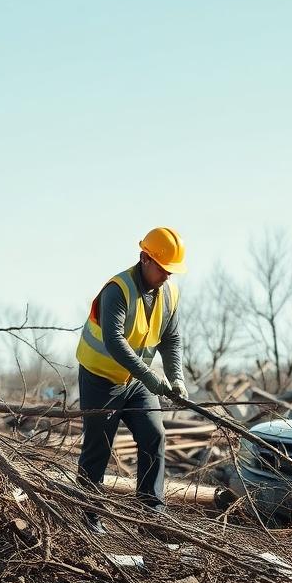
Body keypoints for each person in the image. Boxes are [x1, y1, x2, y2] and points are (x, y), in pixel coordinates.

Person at [75, 227, 188, 531]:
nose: (167, 276)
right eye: (163, 269)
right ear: (144, 259)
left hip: (136, 382)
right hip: (101, 378)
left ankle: (151, 515)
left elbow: (171, 339)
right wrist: (151, 376)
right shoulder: (118, 289)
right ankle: (88, 516)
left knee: (154, 434)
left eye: (171, 271)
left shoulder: (169, 293)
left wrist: (176, 377)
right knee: (98, 447)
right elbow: (113, 340)